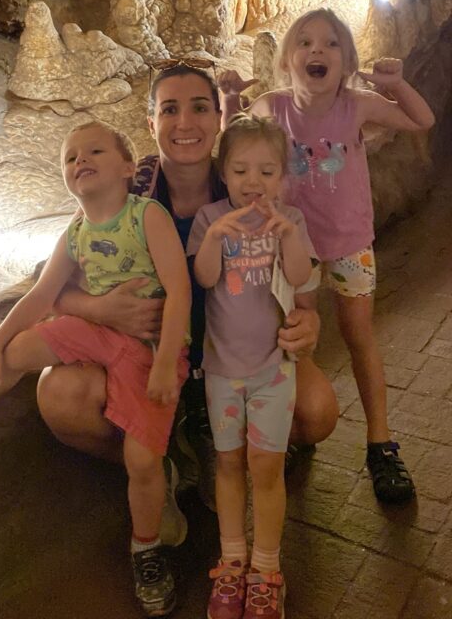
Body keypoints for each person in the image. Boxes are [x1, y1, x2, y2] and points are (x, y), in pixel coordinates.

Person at [0, 121, 191, 619]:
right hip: (99, 333)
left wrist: (165, 364)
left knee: (141, 460)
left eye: (93, 150)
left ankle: (146, 547)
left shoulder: (145, 216)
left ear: (128, 167)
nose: (79, 160)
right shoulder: (77, 230)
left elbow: (179, 290)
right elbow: (41, 295)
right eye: (70, 157)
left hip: (149, 349)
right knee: (22, 347)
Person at [36, 64, 338, 510]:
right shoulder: (128, 188)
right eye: (169, 109)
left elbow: (302, 281)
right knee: (58, 397)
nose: (184, 123)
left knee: (317, 413)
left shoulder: (245, 180)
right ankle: (159, 464)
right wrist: (99, 310)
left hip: (240, 354)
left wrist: (308, 318)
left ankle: (238, 448)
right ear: (150, 123)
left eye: (199, 108)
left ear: (219, 117)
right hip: (149, 360)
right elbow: (50, 276)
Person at [220, 8, 435, 504]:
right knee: (300, 343)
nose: (317, 51)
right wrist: (229, 99)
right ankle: (300, 431)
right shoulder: (273, 108)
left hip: (350, 244)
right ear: (288, 59)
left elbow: (421, 119)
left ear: (347, 61)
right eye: (306, 42)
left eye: (331, 44)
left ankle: (381, 444)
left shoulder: (356, 106)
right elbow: (233, 145)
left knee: (361, 338)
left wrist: (396, 84)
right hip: (294, 248)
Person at [189, 113, 316, 619]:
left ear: (282, 177)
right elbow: (203, 278)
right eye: (241, 170)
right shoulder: (209, 219)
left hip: (274, 369)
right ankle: (232, 560)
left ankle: (266, 569)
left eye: (267, 172)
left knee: (266, 466)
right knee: (227, 463)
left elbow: (303, 279)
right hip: (222, 369)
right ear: (223, 172)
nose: (253, 183)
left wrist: (286, 234)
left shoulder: (292, 221)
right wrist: (218, 236)